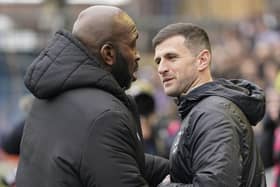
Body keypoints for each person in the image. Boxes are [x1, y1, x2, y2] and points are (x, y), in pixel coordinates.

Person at [16, 5, 169, 187]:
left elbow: (115, 159)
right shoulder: (105, 117)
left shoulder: (45, 99)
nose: (137, 56)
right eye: (132, 45)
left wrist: (178, 167)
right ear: (108, 54)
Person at [152, 23, 266, 186]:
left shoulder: (213, 114)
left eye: (171, 57)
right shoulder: (201, 110)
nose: (161, 68)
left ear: (202, 60)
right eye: (158, 61)